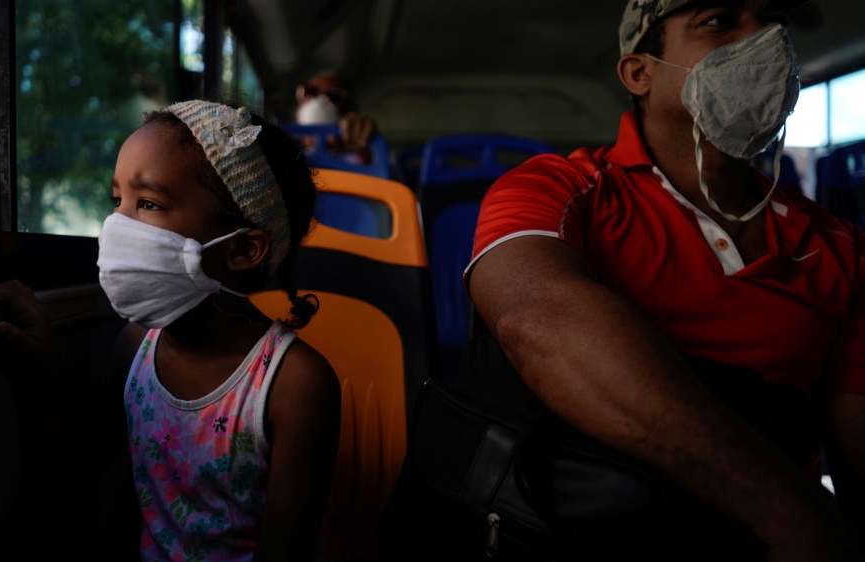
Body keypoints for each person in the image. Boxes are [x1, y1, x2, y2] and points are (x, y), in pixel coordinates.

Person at [465, 0, 865, 559]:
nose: (765, 36)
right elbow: (535, 317)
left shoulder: (841, 245)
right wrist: (785, 509)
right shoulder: (557, 188)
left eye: (774, 19)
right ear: (640, 73)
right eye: (719, 20)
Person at [0, 100, 342, 561]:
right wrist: (45, 370)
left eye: (148, 203)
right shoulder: (136, 345)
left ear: (241, 250)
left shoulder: (297, 384)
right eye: (118, 201)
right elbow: (74, 470)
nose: (116, 226)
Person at [294, 72, 377, 164]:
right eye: (310, 92)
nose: (318, 102)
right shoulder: (286, 149)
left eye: (333, 96)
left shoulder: (358, 160)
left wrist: (366, 143)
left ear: (349, 110)